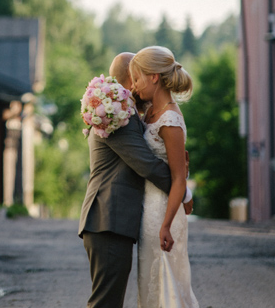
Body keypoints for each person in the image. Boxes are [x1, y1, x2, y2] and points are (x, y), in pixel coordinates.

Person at [79, 52, 192, 308]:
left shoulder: (131, 112)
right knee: (106, 302)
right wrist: (182, 188)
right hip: (108, 218)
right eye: (137, 74)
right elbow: (147, 165)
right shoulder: (117, 114)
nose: (140, 81)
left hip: (115, 220)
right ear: (132, 79)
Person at [130, 46, 199, 308]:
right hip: (148, 209)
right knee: (149, 281)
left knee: (166, 281)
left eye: (137, 79)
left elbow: (179, 177)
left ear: (154, 77)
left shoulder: (170, 119)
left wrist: (167, 225)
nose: (135, 86)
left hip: (163, 211)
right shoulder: (149, 112)